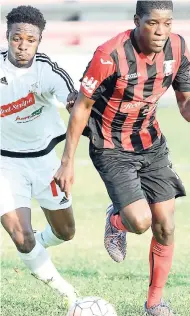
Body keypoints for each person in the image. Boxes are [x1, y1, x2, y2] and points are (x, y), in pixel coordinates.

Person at [54, 0, 190, 315]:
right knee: (141, 222)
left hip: (151, 143)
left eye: (167, 23)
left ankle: (155, 303)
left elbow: (185, 103)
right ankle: (116, 220)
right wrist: (68, 161)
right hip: (109, 145)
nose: (160, 31)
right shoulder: (109, 55)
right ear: (136, 21)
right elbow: (81, 107)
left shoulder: (179, 49)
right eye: (152, 23)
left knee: (166, 225)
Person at [0, 5, 78, 305]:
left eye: (30, 40)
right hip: (5, 164)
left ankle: (37, 248)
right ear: (8, 36)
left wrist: (73, 102)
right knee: (21, 235)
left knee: (66, 231)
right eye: (16, 38)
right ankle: (70, 297)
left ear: (39, 40)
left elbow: (72, 101)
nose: (22, 45)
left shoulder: (47, 70)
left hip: (46, 162)